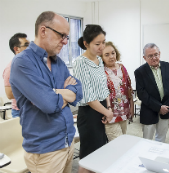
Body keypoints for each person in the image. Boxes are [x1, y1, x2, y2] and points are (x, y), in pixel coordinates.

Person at [9, 11, 83, 173]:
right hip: (46, 151)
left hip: (67, 142)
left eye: (67, 37)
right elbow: (49, 104)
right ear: (43, 31)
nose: (65, 42)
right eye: (61, 35)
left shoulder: (58, 62)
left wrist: (55, 92)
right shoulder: (22, 63)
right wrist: (63, 94)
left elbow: (78, 89)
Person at [73, 25, 113, 173]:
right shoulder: (80, 62)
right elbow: (88, 97)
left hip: (101, 109)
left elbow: (104, 87)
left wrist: (108, 108)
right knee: (88, 157)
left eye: (103, 42)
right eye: (97, 44)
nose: (102, 47)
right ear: (86, 43)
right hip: (89, 113)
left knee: (99, 153)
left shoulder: (99, 60)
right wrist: (107, 112)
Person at [134, 43, 169, 142]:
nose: (154, 58)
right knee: (147, 139)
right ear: (144, 57)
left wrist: (165, 107)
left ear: (159, 54)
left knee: (161, 137)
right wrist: (158, 107)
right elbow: (141, 93)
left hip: (166, 108)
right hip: (149, 109)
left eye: (156, 54)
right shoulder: (140, 72)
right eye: (150, 56)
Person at [101, 41, 134, 141]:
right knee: (118, 143)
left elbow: (129, 89)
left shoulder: (122, 68)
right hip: (110, 114)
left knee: (123, 140)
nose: (111, 56)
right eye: (107, 55)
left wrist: (132, 107)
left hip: (124, 111)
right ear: (101, 57)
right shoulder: (101, 71)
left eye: (113, 53)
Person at [2, 33, 30, 118]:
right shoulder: (10, 68)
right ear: (16, 49)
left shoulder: (29, 65)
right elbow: (9, 94)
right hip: (21, 112)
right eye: (26, 45)